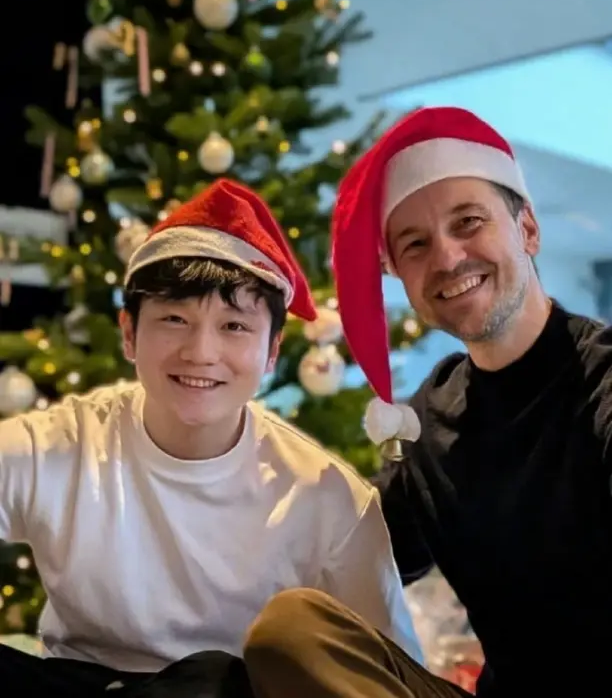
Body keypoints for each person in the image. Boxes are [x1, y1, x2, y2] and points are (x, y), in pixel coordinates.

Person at [241, 107, 612, 697]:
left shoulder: (603, 381)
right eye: (415, 245)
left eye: (469, 222)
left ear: (528, 229)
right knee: (293, 628)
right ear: (398, 274)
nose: (447, 258)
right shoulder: (432, 417)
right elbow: (344, 557)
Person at [0, 179, 422, 697]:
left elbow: (392, 673)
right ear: (130, 333)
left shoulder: (328, 499)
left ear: (272, 351)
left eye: (234, 326)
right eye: (174, 319)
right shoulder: (59, 444)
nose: (201, 353)